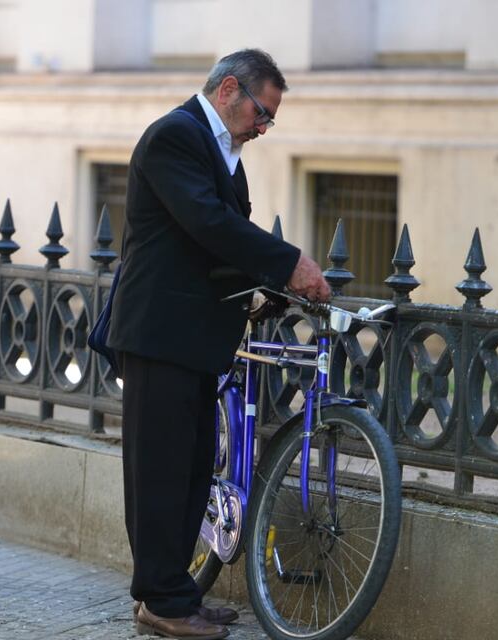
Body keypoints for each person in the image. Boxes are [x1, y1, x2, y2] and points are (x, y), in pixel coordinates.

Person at [106, 49, 330, 639]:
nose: (264, 127)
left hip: (195, 340)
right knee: (159, 473)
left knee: (190, 472)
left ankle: (175, 594)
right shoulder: (173, 137)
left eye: (270, 120)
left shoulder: (225, 154)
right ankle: (160, 601)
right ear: (229, 89)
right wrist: (289, 263)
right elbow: (208, 223)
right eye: (263, 112)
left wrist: (270, 289)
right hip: (159, 335)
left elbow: (216, 248)